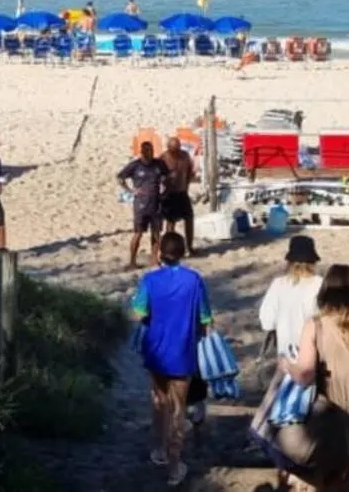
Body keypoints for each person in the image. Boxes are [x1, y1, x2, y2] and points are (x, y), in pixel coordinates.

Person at [274, 264, 349, 492]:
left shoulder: (315, 327)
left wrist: (288, 365)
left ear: (326, 293)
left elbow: (306, 374)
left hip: (322, 425)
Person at [130, 231, 212, 488]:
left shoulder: (150, 280)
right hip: (182, 352)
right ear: (183, 252)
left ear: (159, 253)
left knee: (158, 401)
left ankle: (160, 449)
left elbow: (139, 311)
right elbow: (206, 318)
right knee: (179, 409)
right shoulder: (194, 280)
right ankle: (176, 465)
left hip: (155, 350)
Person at [259, 235, 323, 368]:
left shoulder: (278, 284)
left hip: (285, 356)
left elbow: (267, 321)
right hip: (312, 354)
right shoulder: (319, 284)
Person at [118, 139, 171, 269]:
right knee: (138, 233)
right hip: (141, 204)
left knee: (156, 232)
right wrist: (131, 190)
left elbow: (167, 176)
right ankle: (132, 261)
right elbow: (120, 177)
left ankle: (154, 259)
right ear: (142, 153)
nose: (149, 154)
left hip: (156, 202)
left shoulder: (159, 164)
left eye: (151, 152)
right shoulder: (135, 165)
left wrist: (165, 188)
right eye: (147, 152)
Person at [160, 134, 198, 256]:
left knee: (189, 218)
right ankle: (168, 249)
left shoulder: (185, 156)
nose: (176, 151)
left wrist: (186, 185)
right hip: (170, 194)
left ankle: (189, 247)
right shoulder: (163, 158)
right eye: (173, 149)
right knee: (171, 222)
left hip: (182, 192)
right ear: (169, 148)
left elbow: (190, 172)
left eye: (178, 148)